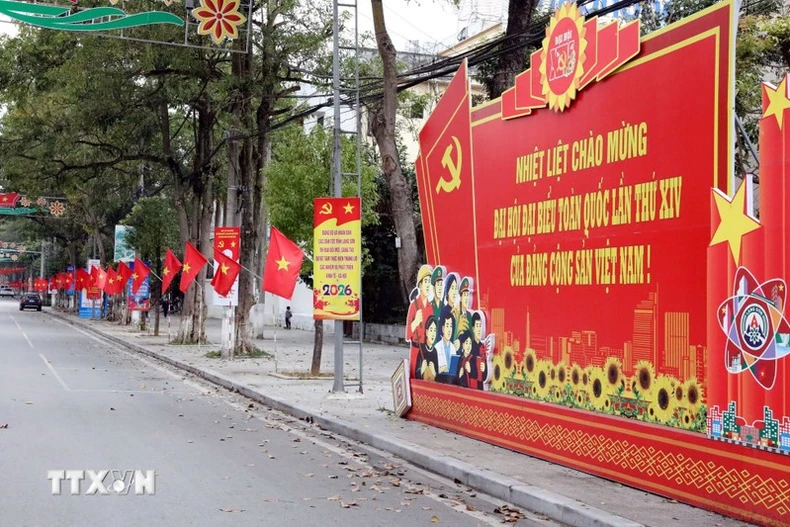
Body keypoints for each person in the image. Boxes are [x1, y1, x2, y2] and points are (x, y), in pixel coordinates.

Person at [406, 265, 434, 376]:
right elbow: (408, 333)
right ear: (420, 285)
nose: (428, 285)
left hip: (427, 349)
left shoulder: (430, 308)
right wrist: (415, 322)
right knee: (414, 374)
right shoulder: (414, 306)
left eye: (429, 282)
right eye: (425, 281)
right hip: (416, 348)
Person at [435, 305, 458, 376]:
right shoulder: (437, 347)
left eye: (451, 326)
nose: (449, 330)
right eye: (447, 326)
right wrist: (439, 369)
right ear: (443, 328)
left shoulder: (453, 348)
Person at [416, 316, 439, 382]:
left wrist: (434, 373)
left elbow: (437, 375)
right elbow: (416, 373)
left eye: (435, 330)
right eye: (431, 330)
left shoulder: (435, 351)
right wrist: (421, 370)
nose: (433, 334)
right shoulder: (422, 349)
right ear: (426, 332)